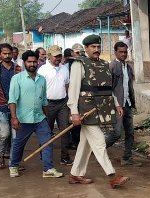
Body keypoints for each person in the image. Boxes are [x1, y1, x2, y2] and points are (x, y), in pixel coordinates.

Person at [67, 34, 129, 188]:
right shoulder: (78, 64)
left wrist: (116, 104)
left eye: (98, 47)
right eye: (93, 47)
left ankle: (76, 174)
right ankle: (112, 175)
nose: (96, 50)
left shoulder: (103, 64)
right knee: (100, 142)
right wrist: (74, 112)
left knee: (85, 144)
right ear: (86, 48)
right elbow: (73, 89)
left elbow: (108, 88)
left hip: (101, 109)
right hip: (86, 111)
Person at [7, 51, 64, 179]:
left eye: (34, 61)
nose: (32, 64)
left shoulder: (41, 79)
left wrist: (47, 117)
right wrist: (14, 117)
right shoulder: (17, 79)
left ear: (38, 62)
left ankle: (48, 169)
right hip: (23, 119)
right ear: (24, 63)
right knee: (19, 143)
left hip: (39, 118)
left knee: (47, 141)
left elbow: (44, 100)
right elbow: (12, 100)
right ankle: (13, 166)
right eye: (29, 62)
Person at [0, 43, 22, 169]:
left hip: (16, 109)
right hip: (0, 107)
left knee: (16, 136)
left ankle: (14, 161)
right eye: (4, 53)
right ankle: (0, 156)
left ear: (12, 54)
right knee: (5, 134)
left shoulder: (18, 69)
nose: (7, 56)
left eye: (9, 53)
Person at [37, 44, 73, 166]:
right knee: (47, 130)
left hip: (63, 103)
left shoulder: (64, 68)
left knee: (65, 130)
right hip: (48, 104)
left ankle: (64, 157)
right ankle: (44, 154)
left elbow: (67, 85)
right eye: (55, 56)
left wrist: (69, 101)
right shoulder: (42, 70)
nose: (58, 58)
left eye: (60, 56)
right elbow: (39, 89)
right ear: (49, 56)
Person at [105, 41, 137, 166]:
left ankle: (127, 158)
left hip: (127, 104)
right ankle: (98, 150)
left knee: (130, 132)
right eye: (121, 52)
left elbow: (129, 86)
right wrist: (115, 103)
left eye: (125, 52)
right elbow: (109, 88)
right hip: (117, 105)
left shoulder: (128, 67)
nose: (124, 54)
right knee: (117, 133)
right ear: (115, 52)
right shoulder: (112, 66)